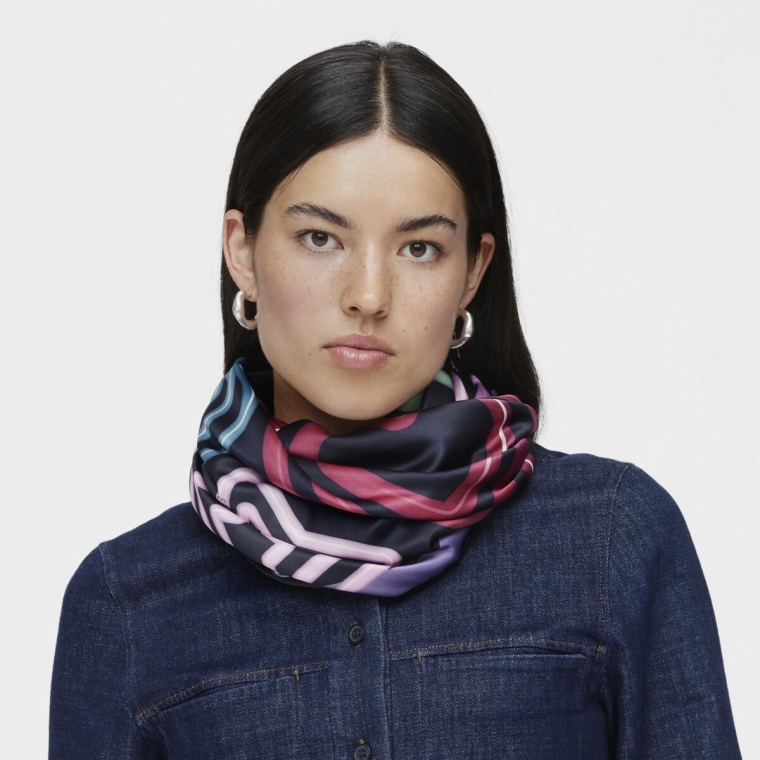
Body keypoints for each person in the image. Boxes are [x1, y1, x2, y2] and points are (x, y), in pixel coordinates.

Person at [49, 41, 741, 759]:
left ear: (472, 272)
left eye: (419, 248)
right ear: (243, 253)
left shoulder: (611, 539)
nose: (369, 296)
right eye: (320, 238)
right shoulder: (128, 604)